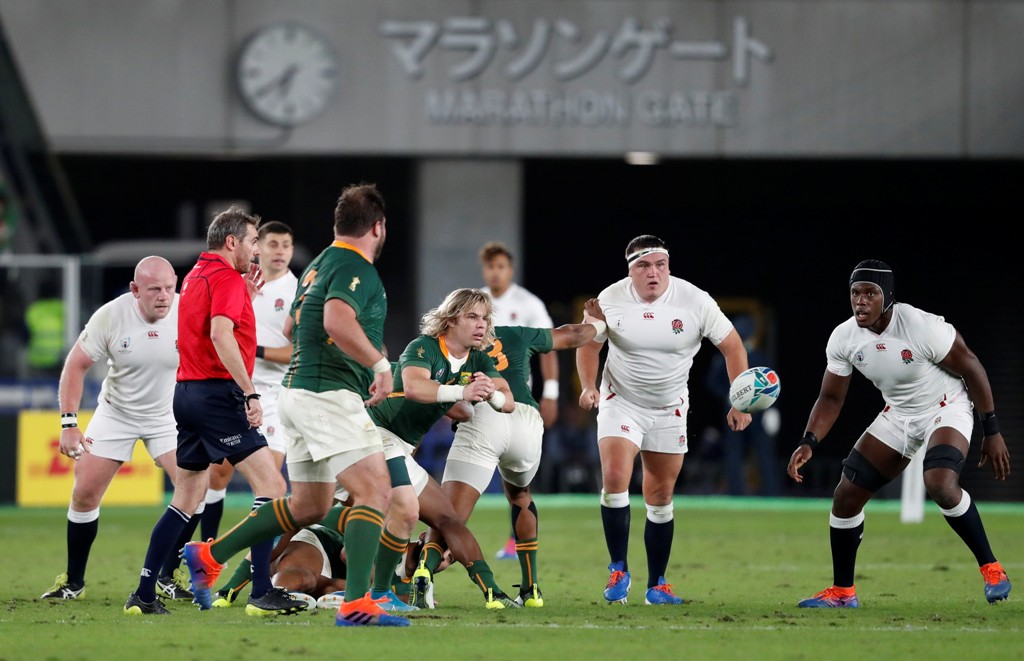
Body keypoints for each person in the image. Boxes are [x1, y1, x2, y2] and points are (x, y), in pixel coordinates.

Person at [180, 183, 409, 627]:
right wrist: (380, 363)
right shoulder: (354, 266)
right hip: (327, 393)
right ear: (378, 227)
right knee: (375, 491)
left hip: (297, 392)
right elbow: (336, 319)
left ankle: (211, 555)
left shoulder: (319, 264)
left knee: (308, 506)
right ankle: (358, 603)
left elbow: (290, 327)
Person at [787, 259, 1012, 608]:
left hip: (945, 406)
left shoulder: (922, 327)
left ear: (887, 297)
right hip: (899, 414)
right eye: (855, 293)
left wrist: (992, 429)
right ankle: (844, 593)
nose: (860, 301)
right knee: (846, 495)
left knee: (939, 482)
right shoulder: (844, 337)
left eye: (870, 293)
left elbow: (971, 365)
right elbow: (831, 397)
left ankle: (993, 568)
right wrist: (808, 441)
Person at [124, 207, 302, 617]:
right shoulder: (225, 278)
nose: (256, 251)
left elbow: (217, 323)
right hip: (217, 394)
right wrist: (249, 393)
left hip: (185, 393)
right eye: (254, 242)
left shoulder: (197, 276)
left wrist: (246, 299)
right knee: (272, 488)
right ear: (232, 242)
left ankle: (144, 593)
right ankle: (260, 591)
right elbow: (220, 334)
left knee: (187, 497)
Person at [576, 235, 752, 605]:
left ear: (668, 266)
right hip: (620, 400)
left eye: (660, 264)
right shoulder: (609, 299)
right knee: (615, 478)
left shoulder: (695, 301)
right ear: (630, 271)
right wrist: (588, 387)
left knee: (660, 496)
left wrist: (741, 399)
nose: (653, 273)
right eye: (643, 266)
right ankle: (618, 568)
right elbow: (589, 345)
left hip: (670, 407)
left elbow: (732, 345)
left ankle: (657, 584)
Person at [419, 308, 605, 608]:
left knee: (448, 515)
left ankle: (423, 577)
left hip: (483, 417)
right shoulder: (517, 333)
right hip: (526, 420)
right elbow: (572, 335)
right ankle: (531, 590)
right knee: (520, 496)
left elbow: (429, 392)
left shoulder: (446, 345)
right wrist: (597, 322)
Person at [42, 257, 195, 602]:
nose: (164, 296)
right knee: (84, 494)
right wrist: (69, 423)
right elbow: (75, 366)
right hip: (117, 414)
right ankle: (74, 582)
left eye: (170, 288)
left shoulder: (188, 312)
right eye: (154, 289)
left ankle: (168, 576)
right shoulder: (111, 316)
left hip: (167, 416)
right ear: (135, 290)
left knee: (193, 489)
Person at [367, 288, 520, 610]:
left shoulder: (477, 357)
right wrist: (462, 392)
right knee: (321, 515)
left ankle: (492, 591)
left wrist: (488, 395)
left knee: (449, 519)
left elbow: (507, 401)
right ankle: (382, 589)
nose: (482, 325)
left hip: (399, 447)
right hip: (373, 437)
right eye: (472, 317)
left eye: (485, 318)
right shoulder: (423, 348)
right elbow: (413, 388)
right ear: (451, 320)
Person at [201, 220, 298, 543]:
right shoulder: (237, 281)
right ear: (257, 247)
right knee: (218, 474)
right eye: (272, 244)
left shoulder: (298, 292)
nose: (279, 251)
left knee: (269, 480)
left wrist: (252, 350)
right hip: (233, 389)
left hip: (272, 395)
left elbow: (298, 350)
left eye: (286, 245)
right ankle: (207, 545)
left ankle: (256, 566)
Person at [479, 241, 559, 559]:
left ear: (510, 269)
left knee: (516, 473)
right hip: (478, 397)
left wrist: (550, 392)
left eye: (501, 266)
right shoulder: (475, 300)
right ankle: (445, 537)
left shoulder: (528, 304)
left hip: (517, 402)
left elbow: (548, 346)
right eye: (490, 267)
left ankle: (518, 539)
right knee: (470, 471)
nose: (495, 272)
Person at [704, 313, 781, 496]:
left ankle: (767, 492)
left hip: (757, 410)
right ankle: (741, 492)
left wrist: (772, 409)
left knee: (758, 452)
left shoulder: (757, 357)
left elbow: (772, 383)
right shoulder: (728, 357)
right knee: (736, 452)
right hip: (738, 409)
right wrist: (729, 396)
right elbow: (712, 383)